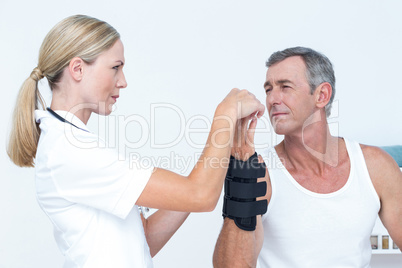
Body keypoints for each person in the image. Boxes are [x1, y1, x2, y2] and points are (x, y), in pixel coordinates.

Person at [6, 15, 265, 267]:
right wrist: (225, 114)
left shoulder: (72, 142)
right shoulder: (71, 150)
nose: (123, 81)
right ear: (77, 69)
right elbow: (201, 195)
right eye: (115, 67)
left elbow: (145, 239)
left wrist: (202, 175)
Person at [213, 46, 402, 267]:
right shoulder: (258, 172)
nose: (272, 99)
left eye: (285, 87)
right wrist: (241, 177)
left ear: (321, 95)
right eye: (268, 89)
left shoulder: (375, 165)